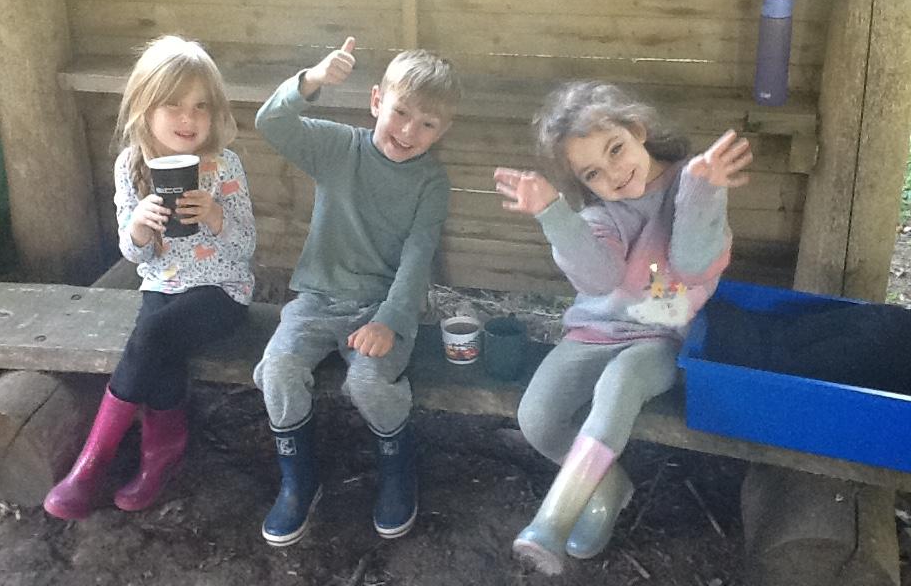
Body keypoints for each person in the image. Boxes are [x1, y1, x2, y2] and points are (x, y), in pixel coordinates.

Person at [493, 81, 752, 575]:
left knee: (621, 381)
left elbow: (693, 264)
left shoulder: (695, 180)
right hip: (593, 333)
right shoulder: (600, 215)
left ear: (638, 129)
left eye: (615, 149)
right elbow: (598, 279)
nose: (612, 174)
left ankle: (552, 521)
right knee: (537, 417)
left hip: (659, 340)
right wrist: (552, 214)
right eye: (592, 173)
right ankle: (607, 487)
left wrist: (703, 191)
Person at [252, 36, 460, 546]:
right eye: (400, 112)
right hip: (316, 300)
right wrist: (313, 80)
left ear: (443, 131)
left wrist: (389, 321)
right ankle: (298, 482)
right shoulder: (338, 148)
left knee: (367, 382)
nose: (408, 131)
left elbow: (417, 259)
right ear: (376, 101)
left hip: (382, 310)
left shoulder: (431, 183)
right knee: (278, 368)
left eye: (427, 124)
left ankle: (397, 471)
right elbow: (270, 122)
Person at [44, 35, 257, 520]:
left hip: (222, 290)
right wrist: (139, 226)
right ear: (145, 107)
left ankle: (92, 464)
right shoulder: (130, 165)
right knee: (160, 344)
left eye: (201, 106)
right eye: (173, 105)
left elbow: (245, 248)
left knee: (154, 334)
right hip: (163, 283)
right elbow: (134, 253)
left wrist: (217, 217)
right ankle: (161, 452)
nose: (189, 118)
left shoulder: (224, 166)